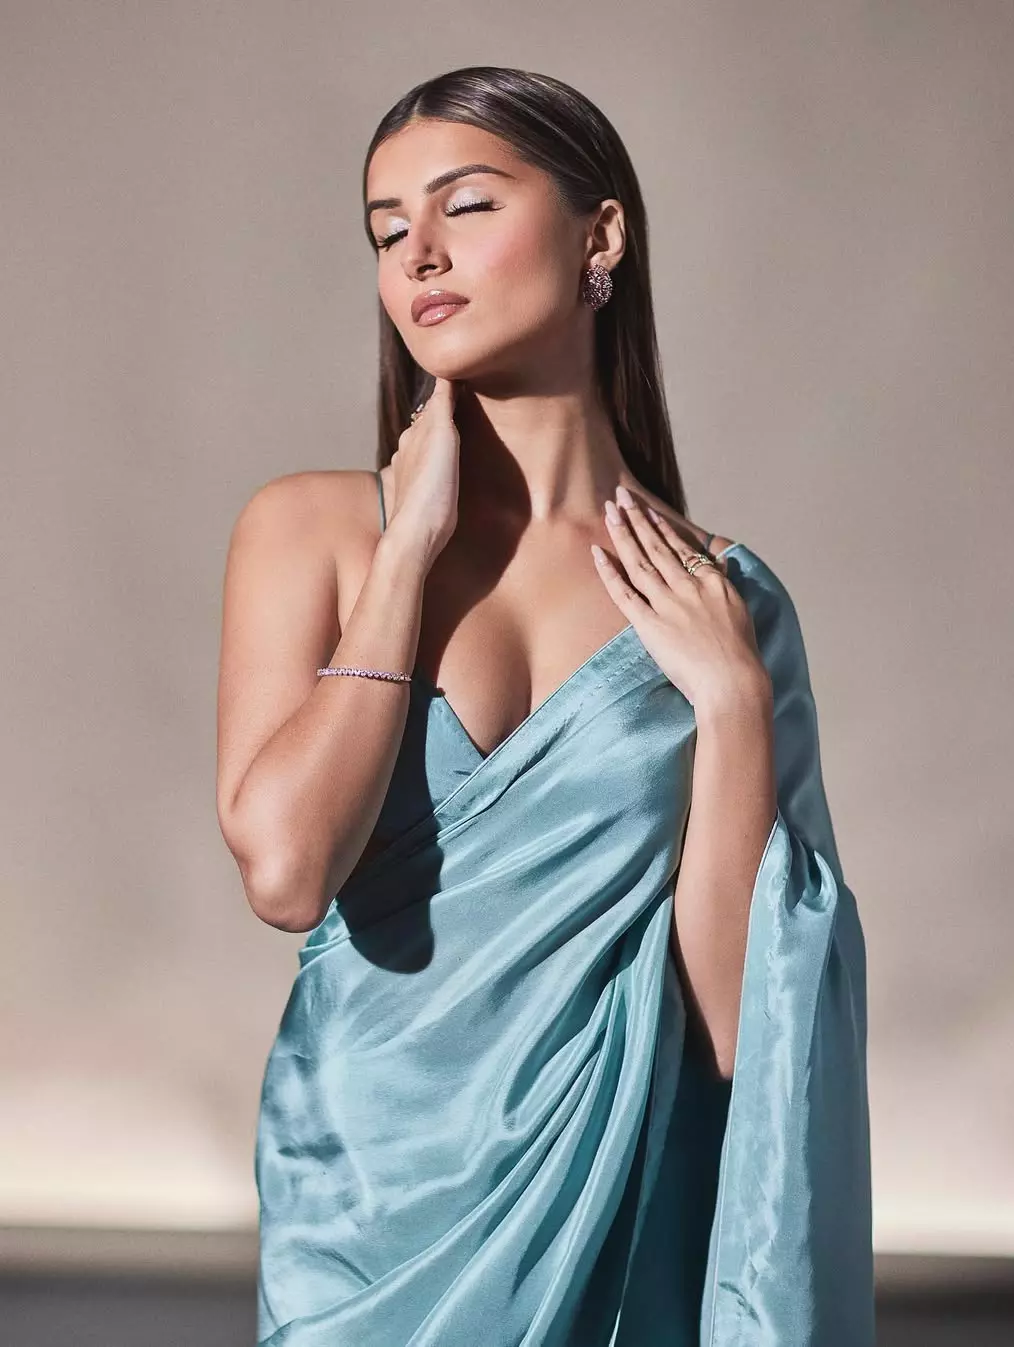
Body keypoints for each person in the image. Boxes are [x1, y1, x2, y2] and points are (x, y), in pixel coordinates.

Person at [216, 65, 874, 1347]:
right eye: (388, 230)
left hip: (616, 1209)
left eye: (465, 205)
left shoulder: (721, 601)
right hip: (366, 1206)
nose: (420, 253)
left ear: (600, 236)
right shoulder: (313, 530)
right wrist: (406, 557)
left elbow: (738, 1028)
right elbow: (287, 872)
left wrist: (733, 700)